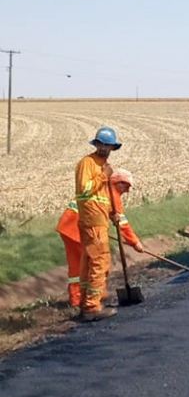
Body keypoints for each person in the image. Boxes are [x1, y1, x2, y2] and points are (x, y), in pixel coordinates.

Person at [57, 168, 145, 309]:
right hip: (82, 229)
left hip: (68, 227)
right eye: (127, 186)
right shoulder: (111, 194)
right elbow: (123, 224)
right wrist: (135, 243)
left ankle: (77, 299)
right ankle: (95, 296)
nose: (128, 191)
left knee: (77, 265)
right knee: (97, 262)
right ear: (118, 183)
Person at [74, 127, 120, 321]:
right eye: (102, 144)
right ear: (96, 144)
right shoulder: (88, 163)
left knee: (91, 262)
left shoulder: (104, 165)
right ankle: (92, 307)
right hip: (92, 221)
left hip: (99, 220)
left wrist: (112, 213)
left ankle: (89, 299)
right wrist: (103, 176)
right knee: (100, 262)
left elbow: (103, 196)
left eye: (108, 146)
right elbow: (85, 190)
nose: (105, 149)